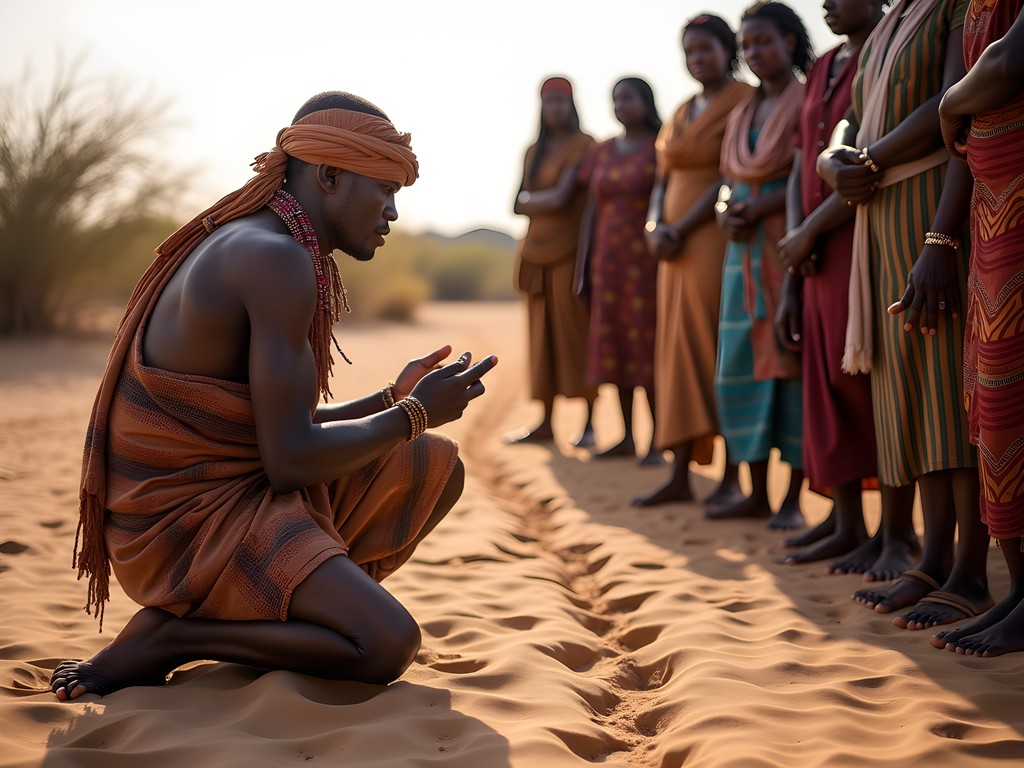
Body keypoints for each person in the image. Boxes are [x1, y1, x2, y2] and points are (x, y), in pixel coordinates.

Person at [49, 91, 497, 700]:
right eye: (384, 189)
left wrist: (392, 398)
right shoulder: (274, 259)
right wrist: (412, 414)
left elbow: (276, 431)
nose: (393, 211)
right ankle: (178, 638)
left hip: (233, 492)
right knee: (386, 643)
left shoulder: (271, 245)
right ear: (330, 176)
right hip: (183, 523)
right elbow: (288, 461)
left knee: (433, 466)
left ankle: (288, 604)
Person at [817, 0, 992, 629]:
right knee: (911, 394)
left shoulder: (949, 6)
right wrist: (833, 160)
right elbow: (851, 124)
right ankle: (934, 557)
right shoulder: (892, 24)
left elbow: (954, 107)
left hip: (929, 208)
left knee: (947, 390)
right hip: (883, 217)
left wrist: (939, 240)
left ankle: (970, 571)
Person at [774, 0, 919, 577]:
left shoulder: (889, 48)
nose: (827, 3)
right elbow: (798, 165)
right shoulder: (827, 64)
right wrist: (796, 237)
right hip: (811, 249)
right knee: (827, 382)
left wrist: (809, 230)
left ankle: (897, 533)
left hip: (856, 234)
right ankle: (847, 524)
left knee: (868, 382)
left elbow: (862, 164)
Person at [930, 0, 1024, 656]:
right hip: (992, 205)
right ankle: (1019, 589)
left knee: (1012, 390)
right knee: (992, 398)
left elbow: (1006, 61)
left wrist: (949, 106)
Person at [633, 14, 752, 507]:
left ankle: (730, 476)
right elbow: (662, 180)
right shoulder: (681, 110)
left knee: (713, 348)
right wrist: (655, 225)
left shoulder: (743, 101)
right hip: (671, 251)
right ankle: (680, 472)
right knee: (676, 353)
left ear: (728, 50)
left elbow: (730, 175)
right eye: (689, 51)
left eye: (706, 49)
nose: (697, 59)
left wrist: (681, 228)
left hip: (709, 243)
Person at [709, 1, 812, 529]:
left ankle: (791, 501)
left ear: (790, 42)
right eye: (747, 45)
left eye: (763, 42)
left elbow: (805, 175)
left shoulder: (806, 98)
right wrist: (728, 209)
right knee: (739, 369)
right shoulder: (744, 110)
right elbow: (730, 181)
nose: (754, 53)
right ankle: (754, 492)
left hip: (784, 249)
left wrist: (759, 207)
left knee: (786, 369)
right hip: (740, 253)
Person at [577, 77, 662, 464]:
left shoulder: (660, 147)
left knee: (648, 348)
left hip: (647, 263)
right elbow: (590, 211)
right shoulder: (603, 151)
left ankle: (658, 439)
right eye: (615, 99)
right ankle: (627, 436)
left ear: (646, 102)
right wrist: (582, 269)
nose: (621, 105)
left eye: (629, 98)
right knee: (615, 349)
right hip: (606, 263)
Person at [508, 77, 597, 447]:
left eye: (562, 101)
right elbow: (515, 203)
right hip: (535, 254)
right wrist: (542, 198)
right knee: (541, 340)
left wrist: (535, 199)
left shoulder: (586, 145)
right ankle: (545, 421)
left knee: (575, 336)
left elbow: (564, 200)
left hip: (570, 254)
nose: (555, 108)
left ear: (572, 104)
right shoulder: (534, 150)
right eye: (549, 102)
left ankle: (590, 423)